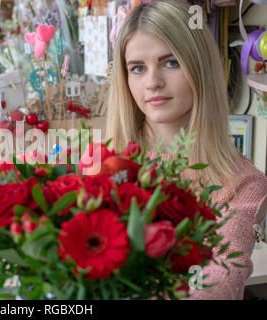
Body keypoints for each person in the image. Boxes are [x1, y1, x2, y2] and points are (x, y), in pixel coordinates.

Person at [105, 0, 267, 299]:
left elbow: (220, 280)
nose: (152, 82)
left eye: (171, 62)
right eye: (138, 68)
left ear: (199, 67)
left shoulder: (243, 183)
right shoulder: (106, 164)